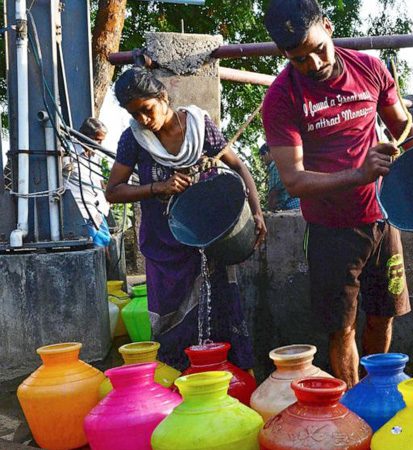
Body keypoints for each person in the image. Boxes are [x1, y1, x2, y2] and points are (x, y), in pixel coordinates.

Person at [262, 0, 413, 387]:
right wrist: (359, 174)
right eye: (300, 59)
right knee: (342, 327)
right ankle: (351, 405)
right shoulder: (281, 99)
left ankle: (377, 391)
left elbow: (403, 129)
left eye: (319, 49)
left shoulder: (370, 69)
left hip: (384, 219)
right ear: (284, 54)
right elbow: (293, 180)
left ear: (328, 26)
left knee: (383, 315)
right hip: (331, 231)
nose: (314, 63)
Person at [105, 67, 266, 369]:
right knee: (172, 323)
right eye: (134, 114)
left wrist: (256, 211)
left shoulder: (199, 126)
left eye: (147, 109)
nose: (143, 120)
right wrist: (157, 188)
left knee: (218, 310)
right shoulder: (134, 139)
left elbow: (239, 167)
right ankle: (178, 380)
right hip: (164, 247)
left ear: (163, 97)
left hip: (208, 239)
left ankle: (226, 377)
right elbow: (112, 191)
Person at [65, 118, 111, 247]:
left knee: (105, 242)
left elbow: (98, 179)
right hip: (81, 210)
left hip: (97, 209)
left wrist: (107, 196)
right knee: (96, 244)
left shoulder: (95, 155)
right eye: (97, 140)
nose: (99, 145)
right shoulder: (68, 151)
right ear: (85, 136)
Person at [259, 143, 300, 211]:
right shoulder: (285, 162)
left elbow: (273, 192)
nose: (262, 159)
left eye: (262, 156)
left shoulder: (274, 165)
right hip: (298, 204)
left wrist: (269, 210)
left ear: (268, 153)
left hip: (290, 206)